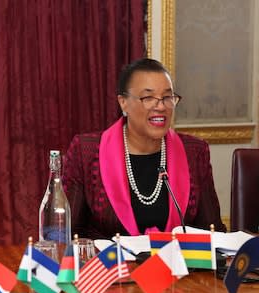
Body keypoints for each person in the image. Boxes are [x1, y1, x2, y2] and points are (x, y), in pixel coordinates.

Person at [62, 58, 226, 239]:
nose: (161, 106)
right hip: (111, 265)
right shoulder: (86, 152)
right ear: (123, 102)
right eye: (148, 98)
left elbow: (212, 232)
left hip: (178, 266)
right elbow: (65, 234)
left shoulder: (194, 152)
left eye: (167, 97)